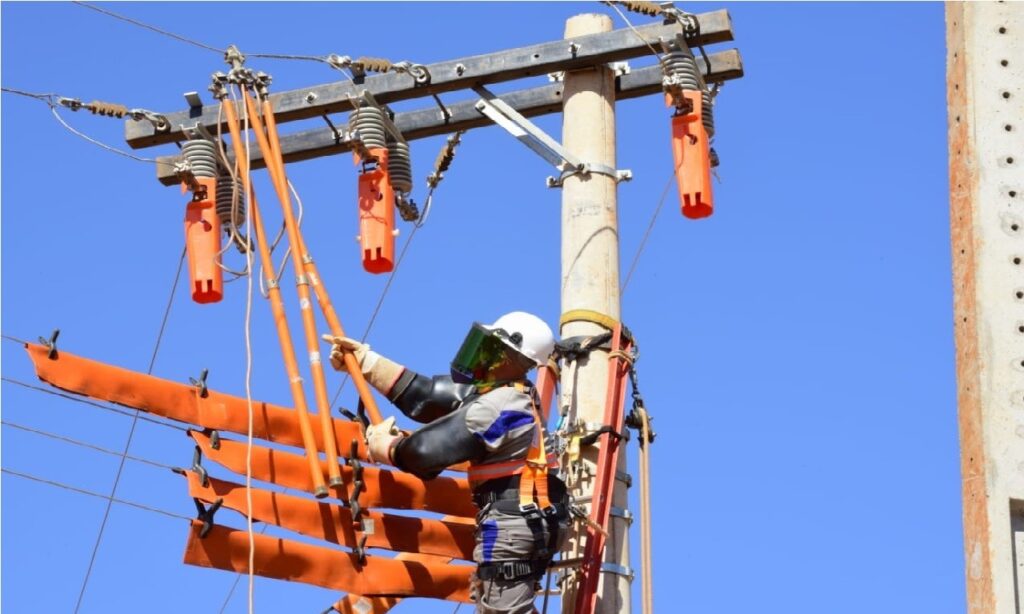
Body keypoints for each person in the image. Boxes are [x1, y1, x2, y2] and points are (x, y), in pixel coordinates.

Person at [325, 311, 569, 614]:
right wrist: (367, 363)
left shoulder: (503, 406)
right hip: (521, 520)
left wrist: (386, 447)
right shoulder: (509, 396)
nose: (483, 358)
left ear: (514, 360)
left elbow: (427, 453)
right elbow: (427, 397)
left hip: (512, 523)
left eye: (493, 352)